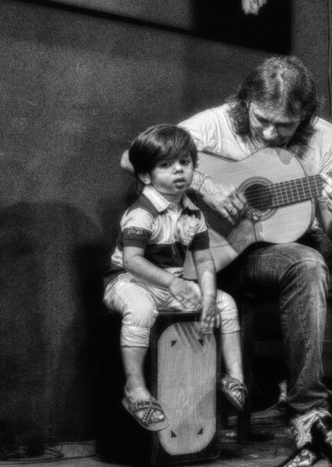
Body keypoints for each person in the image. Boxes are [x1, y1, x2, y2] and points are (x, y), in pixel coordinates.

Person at [120, 56, 332, 445]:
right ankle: (308, 411)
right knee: (306, 262)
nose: (269, 132)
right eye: (261, 119)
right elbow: (130, 157)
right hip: (235, 254)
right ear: (246, 102)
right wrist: (206, 185)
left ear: (304, 115)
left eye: (283, 124)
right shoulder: (216, 123)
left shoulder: (323, 137)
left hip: (311, 244)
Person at [105, 124, 247, 431]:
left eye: (185, 163)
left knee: (226, 303)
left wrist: (208, 297)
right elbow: (132, 261)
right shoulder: (142, 213)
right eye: (166, 165)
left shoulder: (193, 214)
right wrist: (173, 283)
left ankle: (234, 377)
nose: (179, 171)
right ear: (146, 175)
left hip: (170, 284)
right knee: (141, 309)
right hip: (128, 282)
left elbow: (205, 262)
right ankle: (134, 387)